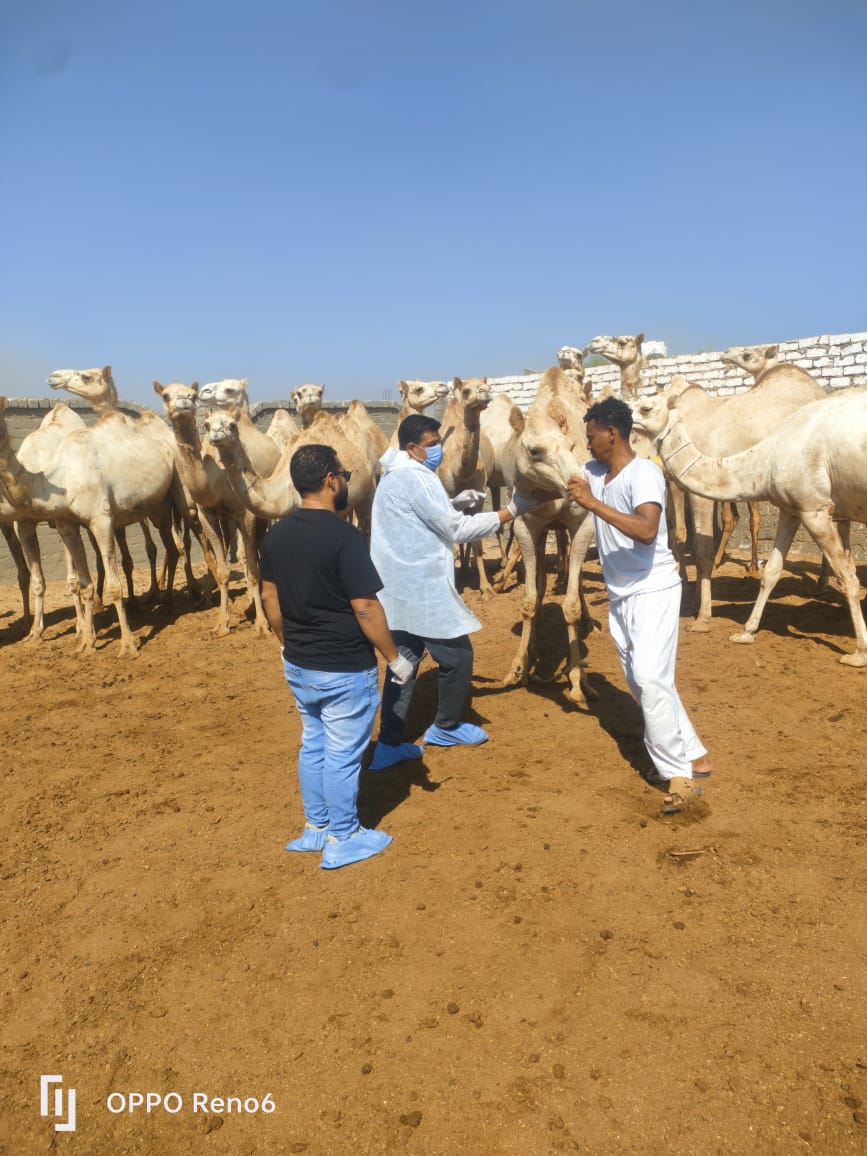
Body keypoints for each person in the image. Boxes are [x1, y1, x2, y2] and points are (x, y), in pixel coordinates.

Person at [260, 443, 414, 869]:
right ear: (330, 480)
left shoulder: (276, 535)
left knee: (314, 745)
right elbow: (365, 607)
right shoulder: (345, 536)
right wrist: (394, 658)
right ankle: (343, 837)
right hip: (344, 667)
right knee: (344, 754)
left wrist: (287, 643)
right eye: (344, 475)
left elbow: (270, 597)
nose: (346, 481)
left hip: (300, 664)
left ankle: (316, 827)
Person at [367, 412, 542, 771]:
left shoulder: (397, 474)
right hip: (422, 588)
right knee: (458, 657)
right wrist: (511, 510)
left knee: (404, 663)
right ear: (412, 447)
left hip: (398, 588)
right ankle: (445, 727)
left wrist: (453, 502)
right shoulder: (417, 479)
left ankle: (388, 743)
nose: (437, 451)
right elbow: (457, 530)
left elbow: (422, 514)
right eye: (431, 445)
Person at [566, 396, 713, 815]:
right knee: (646, 681)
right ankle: (694, 755)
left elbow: (647, 530)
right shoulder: (595, 473)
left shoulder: (644, 473)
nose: (588, 444)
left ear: (612, 433)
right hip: (621, 594)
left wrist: (592, 503)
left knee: (649, 679)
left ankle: (678, 775)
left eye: (591, 437)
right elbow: (561, 477)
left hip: (653, 590)